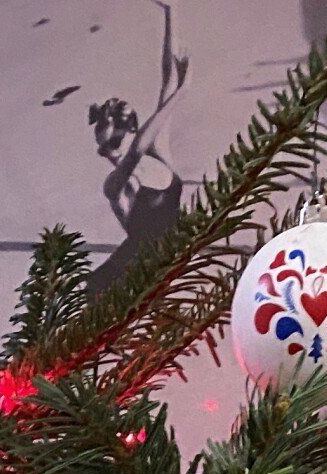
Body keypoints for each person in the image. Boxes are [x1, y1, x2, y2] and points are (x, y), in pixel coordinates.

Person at [88, 1, 189, 292]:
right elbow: (134, 154)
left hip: (170, 263)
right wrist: (181, 94)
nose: (112, 109)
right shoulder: (114, 184)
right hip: (138, 273)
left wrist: (172, 13)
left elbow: (167, 77)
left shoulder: (156, 152)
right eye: (108, 117)